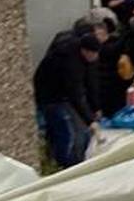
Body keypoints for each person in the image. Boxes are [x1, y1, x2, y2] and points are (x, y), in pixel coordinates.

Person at [34, 30, 100, 168]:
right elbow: (76, 93)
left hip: (61, 95)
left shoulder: (82, 56)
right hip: (51, 96)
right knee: (68, 133)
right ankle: (67, 166)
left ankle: (68, 160)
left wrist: (95, 108)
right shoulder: (71, 62)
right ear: (86, 51)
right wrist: (90, 120)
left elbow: (90, 82)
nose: (96, 57)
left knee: (75, 131)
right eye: (94, 54)